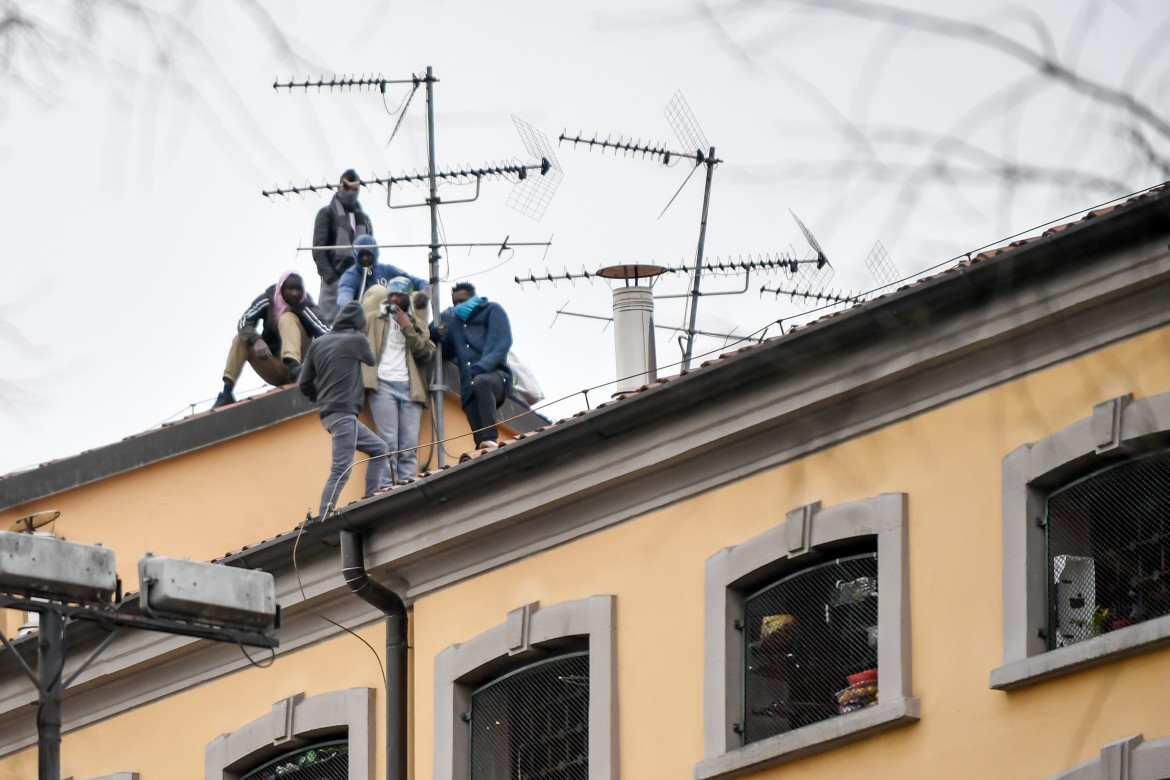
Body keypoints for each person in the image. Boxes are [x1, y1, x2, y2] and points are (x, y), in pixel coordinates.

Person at [297, 301, 393, 517]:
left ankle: (371, 497)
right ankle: (324, 516)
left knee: (380, 449)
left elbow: (304, 384)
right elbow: (370, 359)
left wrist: (319, 396)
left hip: (329, 416)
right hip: (345, 415)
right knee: (341, 468)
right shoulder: (356, 340)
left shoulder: (318, 343)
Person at [213, 271, 328, 409]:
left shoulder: (305, 305)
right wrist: (256, 340)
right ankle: (226, 392)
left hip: (301, 368)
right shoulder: (268, 299)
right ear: (281, 289)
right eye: (290, 289)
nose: (294, 293)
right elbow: (244, 321)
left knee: (287, 317)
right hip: (275, 366)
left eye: (298, 289)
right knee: (240, 339)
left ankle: (293, 366)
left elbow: (325, 332)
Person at [364, 277, 436, 483]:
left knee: (409, 445)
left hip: (410, 388)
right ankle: (386, 487)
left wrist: (407, 327)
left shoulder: (417, 324)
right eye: (391, 295)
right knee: (387, 443)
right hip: (382, 385)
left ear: (408, 298)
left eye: (399, 295)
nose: (395, 299)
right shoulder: (373, 319)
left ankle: (407, 486)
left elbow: (425, 353)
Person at [436, 282, 513, 451]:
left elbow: (502, 343)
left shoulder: (492, 311)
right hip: (468, 387)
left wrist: (481, 367)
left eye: (462, 301)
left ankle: (490, 439)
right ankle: (483, 450)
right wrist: (435, 334)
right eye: (454, 302)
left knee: (481, 382)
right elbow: (446, 350)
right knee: (479, 440)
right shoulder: (455, 323)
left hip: (495, 377)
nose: (458, 306)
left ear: (473, 298)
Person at [312, 169, 373, 324]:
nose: (351, 192)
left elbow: (372, 250)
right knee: (329, 324)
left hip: (359, 279)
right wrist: (331, 279)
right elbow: (319, 251)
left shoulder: (364, 219)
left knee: (360, 323)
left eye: (355, 189)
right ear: (340, 186)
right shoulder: (327, 213)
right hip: (334, 280)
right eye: (347, 187)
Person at [335, 234, 430, 313]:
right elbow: (344, 295)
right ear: (356, 256)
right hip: (365, 322)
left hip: (393, 318)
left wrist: (425, 292)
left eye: (368, 254)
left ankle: (420, 333)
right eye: (362, 255)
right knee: (379, 291)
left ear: (375, 253)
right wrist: (347, 306)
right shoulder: (350, 275)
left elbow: (419, 283)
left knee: (417, 296)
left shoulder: (388, 270)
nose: (365, 258)